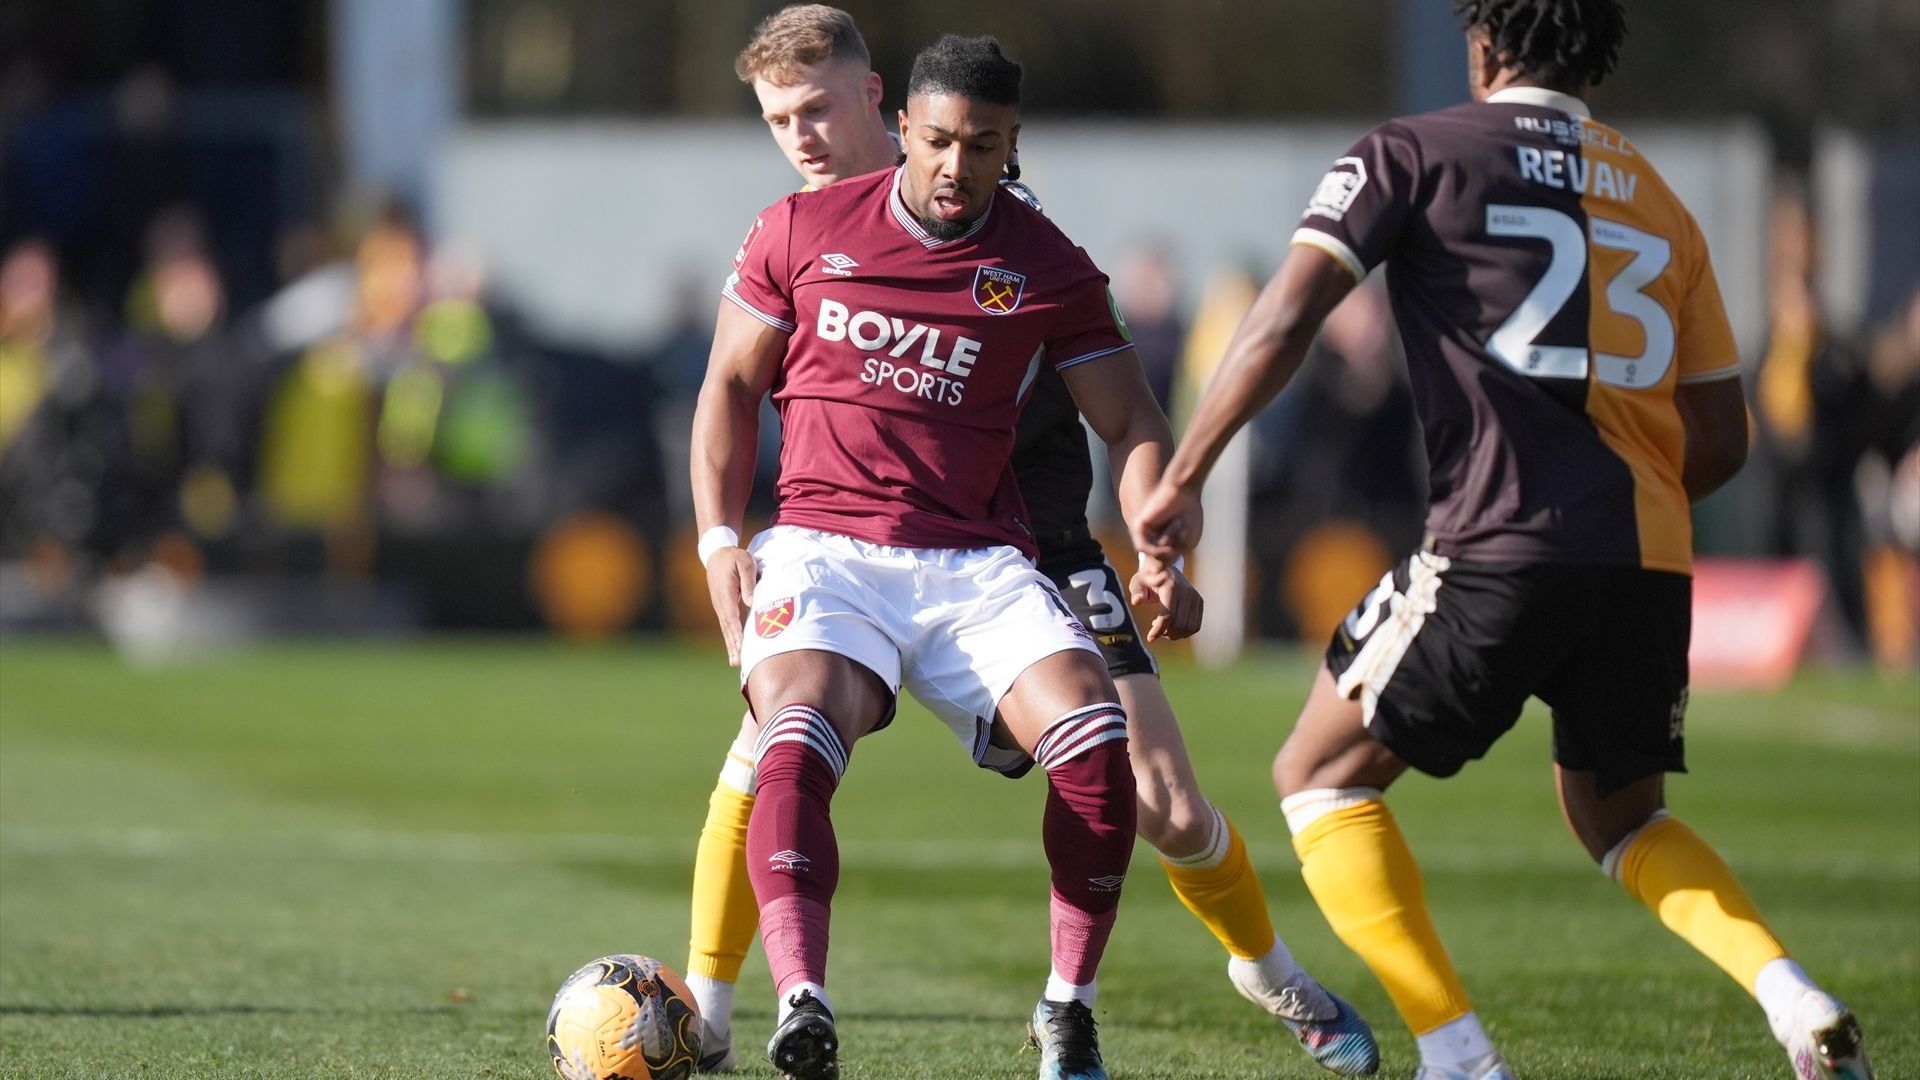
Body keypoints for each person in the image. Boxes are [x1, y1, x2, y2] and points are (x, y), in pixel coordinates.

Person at [1130, 2, 1875, 1079]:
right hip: (1649, 563)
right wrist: (1627, 509)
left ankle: (1459, 1055)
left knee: (1319, 775)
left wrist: (1188, 470)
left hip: (1499, 537)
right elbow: (1723, 437)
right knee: (1621, 818)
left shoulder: (1414, 152)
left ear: (1485, 47)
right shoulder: (1663, 202)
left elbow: (1290, 313)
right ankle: (1792, 995)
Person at [682, 8, 1378, 1077]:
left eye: (815, 109)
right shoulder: (795, 230)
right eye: (778, 120)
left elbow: (1121, 410)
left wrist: (1153, 536)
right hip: (848, 542)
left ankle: (1266, 967)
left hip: (1025, 540)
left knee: (1154, 792)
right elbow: (732, 385)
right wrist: (726, 535)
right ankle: (722, 1009)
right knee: (774, 742)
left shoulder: (1023, 239)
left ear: (881, 104)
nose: (801, 136)